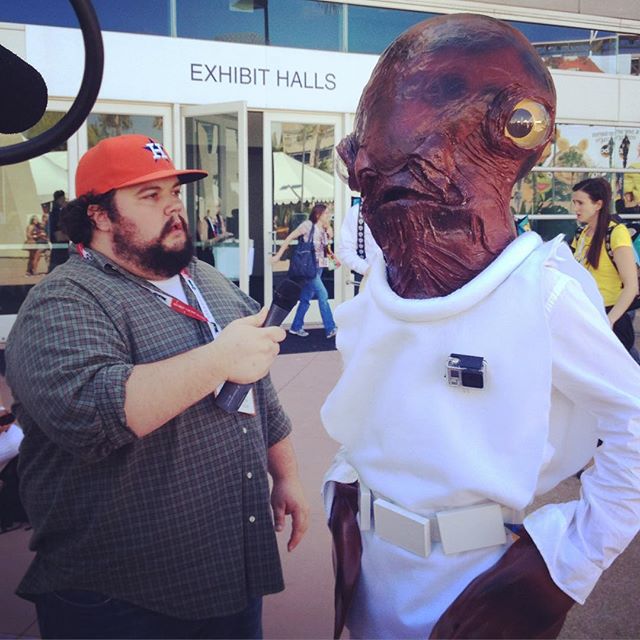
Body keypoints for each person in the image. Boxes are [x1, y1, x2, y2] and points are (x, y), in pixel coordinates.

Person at [321, 14, 640, 640]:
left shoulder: (542, 294)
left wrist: (565, 562)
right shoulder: (385, 281)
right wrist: (344, 482)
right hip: (370, 572)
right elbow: (369, 395)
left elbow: (632, 423)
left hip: (474, 575)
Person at [5, 134, 309, 639]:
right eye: (149, 196)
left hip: (230, 568)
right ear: (99, 215)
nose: (174, 207)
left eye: (173, 192)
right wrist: (219, 358)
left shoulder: (204, 278)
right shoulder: (64, 300)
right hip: (120, 595)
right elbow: (88, 414)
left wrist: (287, 475)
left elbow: (260, 386)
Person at [571, 177, 639, 352]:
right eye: (574, 202)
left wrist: (609, 321)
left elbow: (631, 286)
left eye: (580, 203)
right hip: (588, 315)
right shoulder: (581, 233)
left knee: (626, 374)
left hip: (611, 318)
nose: (575, 208)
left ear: (598, 205)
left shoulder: (616, 233)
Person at [271, 203, 338, 339]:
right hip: (309, 268)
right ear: (318, 214)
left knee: (306, 298)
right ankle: (330, 328)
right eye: (326, 213)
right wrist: (278, 255)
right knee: (323, 295)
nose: (329, 215)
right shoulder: (308, 225)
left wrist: (334, 259)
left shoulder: (324, 228)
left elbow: (326, 248)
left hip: (319, 267)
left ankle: (296, 327)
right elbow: (290, 237)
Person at [336, 199, 381, 294]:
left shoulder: (400, 210)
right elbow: (345, 250)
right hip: (366, 281)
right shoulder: (355, 213)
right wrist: (366, 269)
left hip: (398, 284)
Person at [47, 189, 69, 272]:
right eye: (62, 199)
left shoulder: (56, 210)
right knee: (59, 256)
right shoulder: (55, 212)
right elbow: (57, 224)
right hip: (59, 239)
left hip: (59, 239)